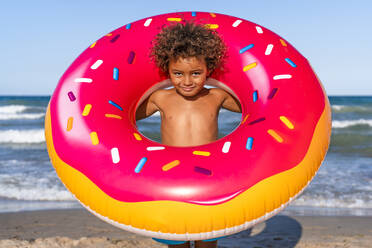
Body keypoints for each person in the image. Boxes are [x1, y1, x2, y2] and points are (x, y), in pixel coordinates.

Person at [135, 22, 241, 248]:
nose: (187, 81)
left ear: (208, 70)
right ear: (168, 71)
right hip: (171, 178)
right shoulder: (160, 98)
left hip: (209, 178)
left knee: (207, 241)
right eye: (178, 74)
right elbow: (123, 117)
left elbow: (255, 107)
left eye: (196, 73)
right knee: (177, 242)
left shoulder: (217, 96)